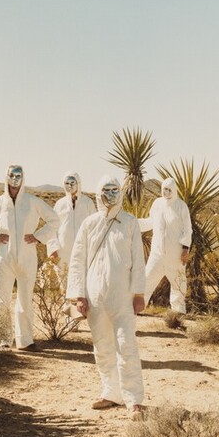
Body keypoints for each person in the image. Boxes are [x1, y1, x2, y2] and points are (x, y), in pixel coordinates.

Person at [67, 175, 146, 417]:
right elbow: (77, 260)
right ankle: (111, 392)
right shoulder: (89, 224)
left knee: (126, 345)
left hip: (122, 296)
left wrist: (139, 293)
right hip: (94, 296)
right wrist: (79, 295)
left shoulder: (130, 223)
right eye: (106, 190)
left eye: (114, 190)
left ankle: (133, 399)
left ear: (120, 193)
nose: (110, 195)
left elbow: (138, 261)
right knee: (102, 346)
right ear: (98, 194)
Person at [0, 164, 59, 351]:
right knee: (1, 298)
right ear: (6, 177)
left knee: (25, 298)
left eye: (18, 176)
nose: (15, 180)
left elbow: (54, 219)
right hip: (4, 256)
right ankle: (3, 340)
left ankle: (25, 340)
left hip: (28, 255)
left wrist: (38, 236)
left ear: (23, 178)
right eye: (12, 175)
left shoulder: (32, 201)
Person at [139, 178, 192, 314]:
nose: (166, 192)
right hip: (157, 253)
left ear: (174, 190)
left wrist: (185, 249)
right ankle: (138, 307)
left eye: (169, 190)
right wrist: (134, 223)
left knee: (178, 283)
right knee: (147, 279)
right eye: (164, 189)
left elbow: (187, 229)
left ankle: (178, 311)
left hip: (175, 254)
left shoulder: (181, 206)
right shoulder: (157, 204)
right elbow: (151, 222)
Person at [50, 172, 96, 267]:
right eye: (67, 183)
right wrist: (53, 249)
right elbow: (51, 228)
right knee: (63, 274)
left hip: (83, 249)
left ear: (78, 183)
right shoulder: (60, 204)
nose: (70, 186)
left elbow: (95, 227)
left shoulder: (87, 203)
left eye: (72, 182)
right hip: (63, 250)